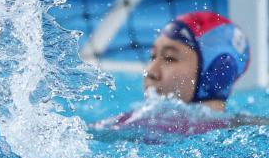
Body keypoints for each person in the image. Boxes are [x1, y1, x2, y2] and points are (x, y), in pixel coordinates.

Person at [95, 11, 254, 134]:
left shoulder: (133, 127)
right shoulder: (129, 123)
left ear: (215, 73)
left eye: (170, 58)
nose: (150, 71)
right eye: (152, 56)